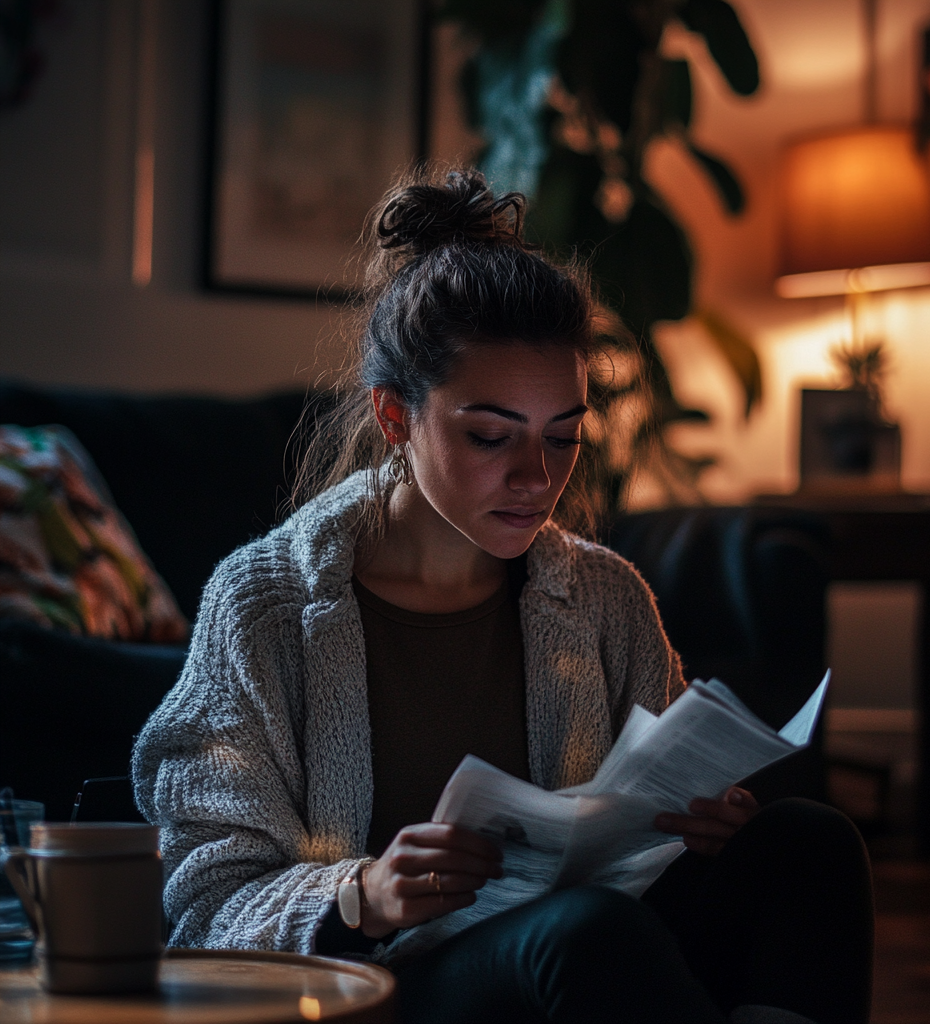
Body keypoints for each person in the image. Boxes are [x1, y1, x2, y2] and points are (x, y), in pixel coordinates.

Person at [132, 169, 873, 1024]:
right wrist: (360, 894)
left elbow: (653, 822)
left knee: (809, 843)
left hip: (595, 961)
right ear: (394, 416)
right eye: (492, 436)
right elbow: (201, 899)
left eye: (564, 435)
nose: (538, 478)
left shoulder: (602, 596)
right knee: (585, 933)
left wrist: (708, 828)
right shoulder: (263, 606)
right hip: (398, 989)